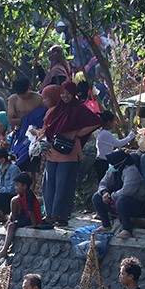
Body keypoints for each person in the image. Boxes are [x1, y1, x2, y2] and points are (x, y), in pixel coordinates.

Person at [40, 81, 101, 225]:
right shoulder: (57, 110)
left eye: (68, 93)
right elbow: (48, 128)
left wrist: (76, 133)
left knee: (64, 185)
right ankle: (49, 215)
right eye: (62, 93)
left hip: (70, 153)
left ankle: (60, 216)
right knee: (49, 185)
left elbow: (96, 122)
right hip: (52, 152)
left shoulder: (79, 109)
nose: (65, 96)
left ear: (73, 94)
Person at [92, 150, 145, 239]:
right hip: (115, 200)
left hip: (136, 204)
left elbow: (127, 191)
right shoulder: (112, 170)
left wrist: (111, 196)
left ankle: (127, 229)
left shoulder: (131, 171)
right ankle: (106, 225)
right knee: (97, 197)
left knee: (122, 200)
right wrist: (104, 192)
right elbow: (103, 183)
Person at [0, 172, 41, 261]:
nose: (15, 187)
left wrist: (34, 225)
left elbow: (31, 211)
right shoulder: (20, 195)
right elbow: (14, 209)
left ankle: (4, 250)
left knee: (11, 226)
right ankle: (11, 224)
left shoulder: (29, 194)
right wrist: (10, 220)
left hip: (31, 218)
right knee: (14, 200)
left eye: (17, 185)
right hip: (25, 216)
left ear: (24, 186)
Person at [95, 112, 135, 180]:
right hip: (103, 162)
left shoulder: (103, 132)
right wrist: (131, 135)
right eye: (113, 122)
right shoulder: (105, 134)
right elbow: (119, 143)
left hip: (102, 161)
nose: (115, 124)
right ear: (108, 122)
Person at [0, 148, 22, 219]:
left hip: (9, 196)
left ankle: (4, 215)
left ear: (2, 160)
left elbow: (12, 189)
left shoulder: (13, 169)